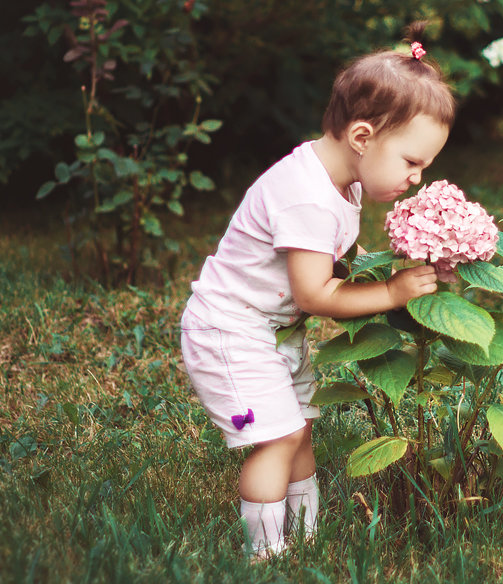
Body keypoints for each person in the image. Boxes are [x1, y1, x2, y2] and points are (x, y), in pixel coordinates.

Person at [179, 29, 455, 558]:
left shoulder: (338, 179)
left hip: (269, 328)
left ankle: (305, 534)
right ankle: (266, 552)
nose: (418, 178)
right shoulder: (305, 197)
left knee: (300, 427)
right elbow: (316, 295)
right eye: (411, 162)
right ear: (361, 137)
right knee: (278, 437)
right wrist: (393, 293)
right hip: (230, 329)